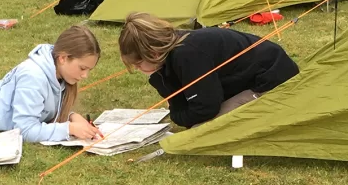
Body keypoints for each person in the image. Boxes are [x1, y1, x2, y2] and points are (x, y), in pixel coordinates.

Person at [118, 12, 299, 128]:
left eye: (138, 63)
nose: (137, 68)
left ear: (154, 53)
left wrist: (177, 115)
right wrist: (159, 78)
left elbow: (205, 109)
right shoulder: (174, 49)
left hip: (272, 82)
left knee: (200, 130)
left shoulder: (187, 54)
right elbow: (182, 99)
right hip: (245, 80)